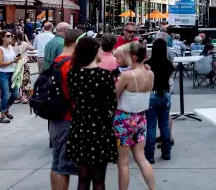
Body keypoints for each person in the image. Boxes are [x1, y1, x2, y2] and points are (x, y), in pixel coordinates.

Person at [66, 37, 118, 190]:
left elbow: (72, 98)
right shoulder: (104, 76)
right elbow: (112, 104)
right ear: (94, 51)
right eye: (100, 49)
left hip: (80, 127)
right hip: (100, 128)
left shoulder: (73, 74)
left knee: (83, 178)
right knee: (98, 178)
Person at [114, 41, 156, 190]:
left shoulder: (126, 76)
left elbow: (115, 96)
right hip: (141, 117)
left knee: (123, 162)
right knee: (141, 157)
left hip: (123, 118)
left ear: (132, 56)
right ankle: (152, 188)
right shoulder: (150, 73)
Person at [49, 29, 83, 190]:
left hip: (57, 119)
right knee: (64, 168)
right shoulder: (70, 64)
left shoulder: (58, 60)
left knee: (57, 164)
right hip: (68, 120)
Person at [145, 38, 175, 164]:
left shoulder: (148, 64)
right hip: (165, 94)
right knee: (164, 125)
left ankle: (150, 155)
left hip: (152, 94)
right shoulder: (169, 64)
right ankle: (166, 152)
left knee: (151, 126)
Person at [0, 30, 21, 123]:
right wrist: (13, 61)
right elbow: (1, 64)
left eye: (11, 35)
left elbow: (12, 58)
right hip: (3, 73)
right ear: (2, 38)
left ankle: (6, 109)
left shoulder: (10, 47)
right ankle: (2, 116)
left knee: (15, 94)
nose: (10, 37)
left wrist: (17, 59)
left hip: (12, 72)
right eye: (8, 36)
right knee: (5, 95)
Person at [12, 30, 35, 103]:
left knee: (16, 80)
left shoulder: (11, 44)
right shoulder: (24, 44)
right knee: (25, 81)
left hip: (14, 65)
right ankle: (24, 97)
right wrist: (27, 40)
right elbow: (32, 48)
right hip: (23, 64)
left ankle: (16, 97)